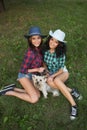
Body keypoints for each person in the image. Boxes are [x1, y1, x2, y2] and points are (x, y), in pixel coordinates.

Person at [43, 29, 82, 120]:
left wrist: (52, 76)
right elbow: (43, 63)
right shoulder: (45, 50)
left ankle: (74, 105)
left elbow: (61, 69)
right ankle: (72, 91)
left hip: (62, 72)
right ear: (49, 39)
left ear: (59, 44)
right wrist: (46, 71)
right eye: (52, 39)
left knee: (56, 80)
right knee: (50, 82)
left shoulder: (61, 54)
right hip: (51, 72)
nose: (52, 43)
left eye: (56, 42)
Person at [0, 26, 46, 103]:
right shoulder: (30, 53)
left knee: (38, 95)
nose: (36, 41)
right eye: (33, 38)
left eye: (38, 38)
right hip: (25, 75)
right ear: (30, 40)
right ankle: (9, 92)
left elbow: (41, 61)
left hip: (32, 75)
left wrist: (44, 68)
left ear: (41, 39)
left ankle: (12, 88)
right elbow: (23, 70)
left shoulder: (39, 49)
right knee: (34, 99)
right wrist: (37, 69)